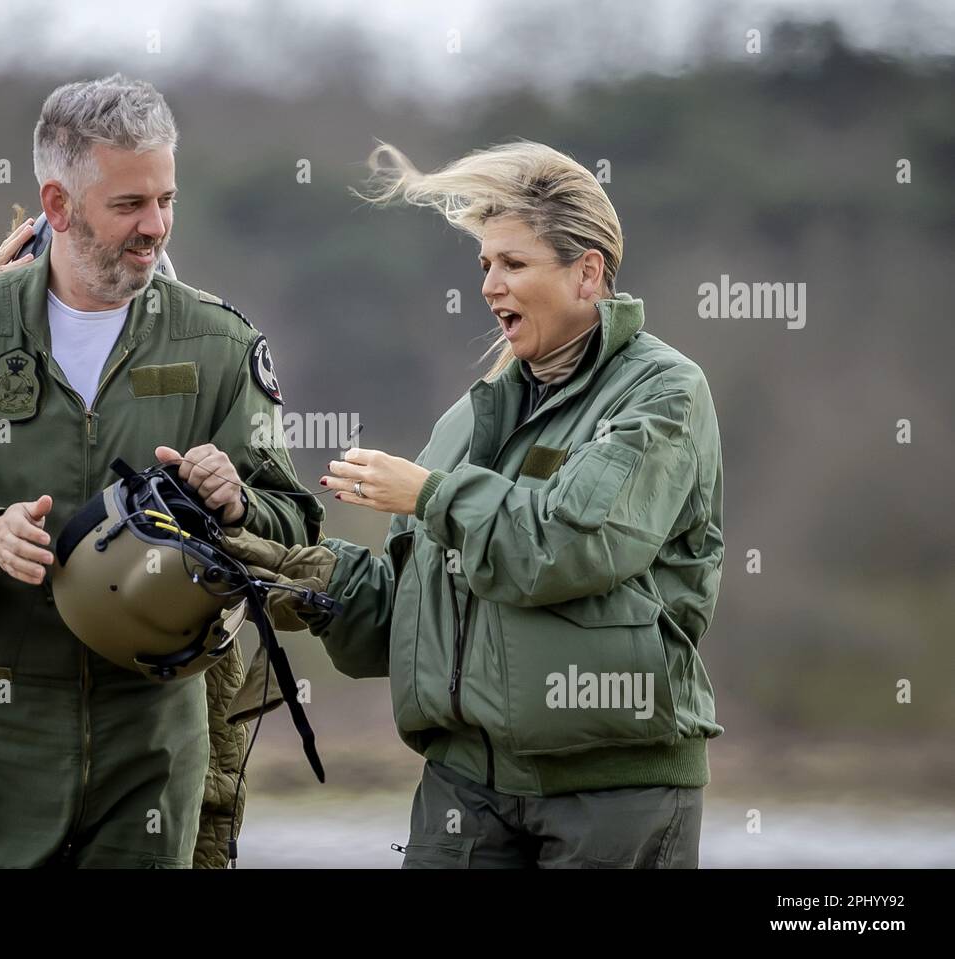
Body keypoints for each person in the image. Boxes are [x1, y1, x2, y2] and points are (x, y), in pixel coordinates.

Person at [0, 74, 321, 869]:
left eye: (166, 199)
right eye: (130, 205)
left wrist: (237, 507)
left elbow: (298, 525)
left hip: (154, 736)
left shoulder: (220, 345)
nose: (157, 227)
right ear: (59, 206)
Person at [223, 140, 724, 868]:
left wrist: (429, 492)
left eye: (514, 264)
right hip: (463, 791)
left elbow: (565, 546)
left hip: (617, 793)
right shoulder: (467, 417)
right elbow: (409, 607)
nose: (490, 286)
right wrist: (301, 573)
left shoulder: (664, 393)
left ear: (588, 274)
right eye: (485, 264)